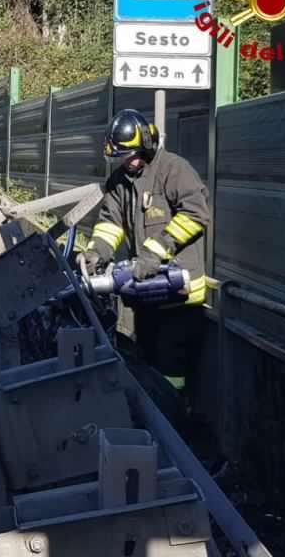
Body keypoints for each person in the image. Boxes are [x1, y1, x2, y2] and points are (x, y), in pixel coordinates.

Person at [77, 109, 211, 401]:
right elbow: (109, 224)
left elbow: (196, 214)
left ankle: (175, 420)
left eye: (132, 155)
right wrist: (95, 252)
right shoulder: (120, 181)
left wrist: (156, 251)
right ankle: (155, 416)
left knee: (171, 370)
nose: (128, 161)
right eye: (122, 157)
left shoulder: (174, 170)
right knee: (146, 362)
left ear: (147, 145)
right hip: (146, 296)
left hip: (180, 294)